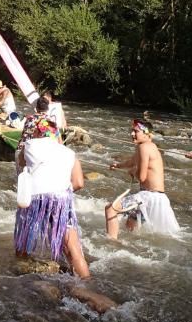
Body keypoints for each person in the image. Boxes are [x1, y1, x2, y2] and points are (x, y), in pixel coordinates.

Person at [14, 117, 90, 278]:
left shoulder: (29, 144)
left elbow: (21, 162)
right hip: (62, 198)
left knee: (24, 237)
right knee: (73, 246)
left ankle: (20, 269)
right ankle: (87, 281)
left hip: (36, 197)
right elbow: (79, 183)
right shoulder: (69, 153)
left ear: (37, 132)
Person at [106, 119, 180, 237]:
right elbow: (132, 160)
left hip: (148, 197)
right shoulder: (150, 146)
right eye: (132, 131)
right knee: (130, 224)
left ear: (147, 133)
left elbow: (141, 177)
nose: (132, 134)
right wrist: (118, 165)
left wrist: (133, 171)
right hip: (157, 198)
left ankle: (111, 243)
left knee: (110, 209)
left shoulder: (144, 147)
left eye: (136, 131)